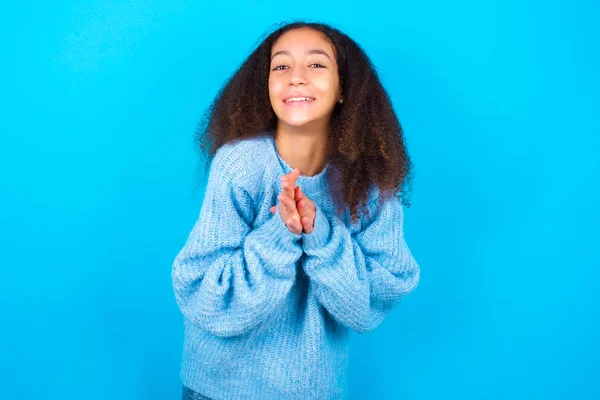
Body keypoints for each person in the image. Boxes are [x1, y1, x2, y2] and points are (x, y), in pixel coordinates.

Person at [172, 20, 420, 400]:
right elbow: (204, 296)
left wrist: (319, 230)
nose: (296, 78)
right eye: (281, 66)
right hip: (217, 389)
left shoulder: (369, 183)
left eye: (317, 65)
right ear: (266, 85)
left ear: (343, 89)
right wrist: (280, 232)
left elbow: (369, 303)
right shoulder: (239, 165)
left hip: (311, 390)